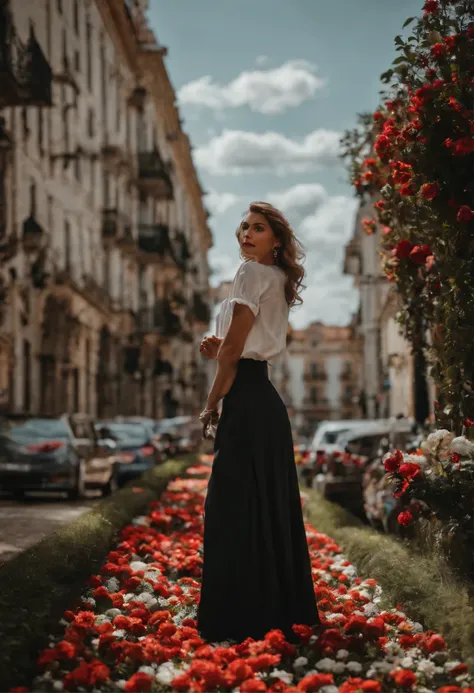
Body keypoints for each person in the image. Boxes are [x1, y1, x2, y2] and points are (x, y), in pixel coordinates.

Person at [197, 201, 322, 644]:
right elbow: (242, 347)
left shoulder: (250, 274)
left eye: (259, 228)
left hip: (246, 402)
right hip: (263, 401)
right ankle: (273, 611)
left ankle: (236, 617)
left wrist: (211, 403)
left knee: (231, 509)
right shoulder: (277, 278)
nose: (247, 234)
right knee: (264, 507)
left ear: (277, 239)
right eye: (245, 226)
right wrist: (222, 350)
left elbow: (234, 355)